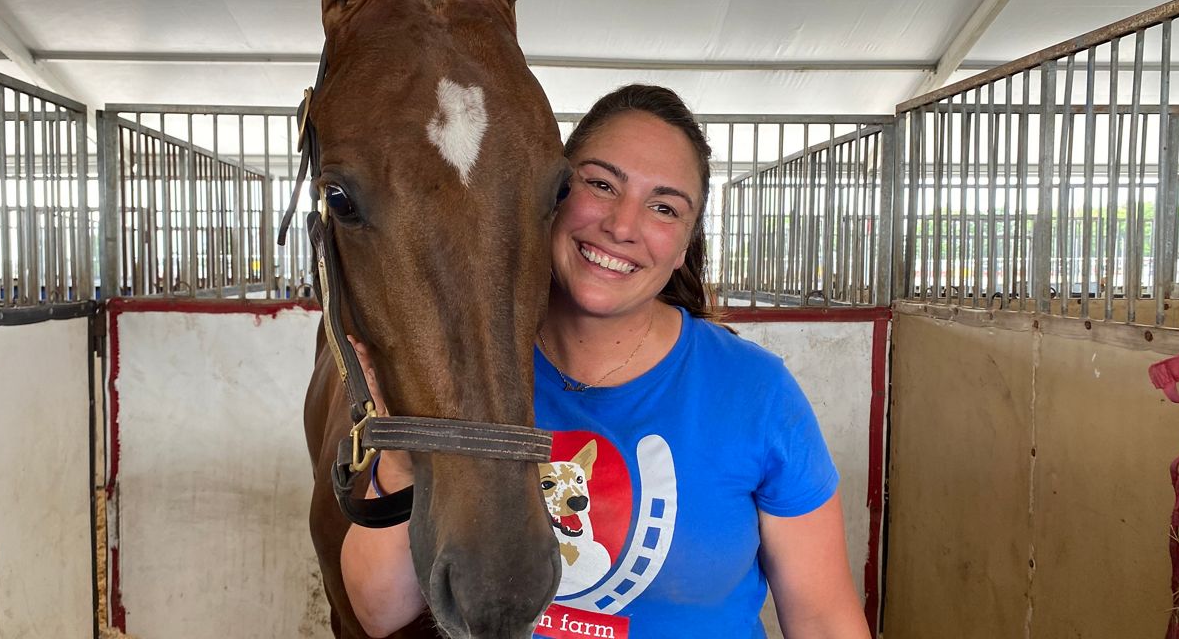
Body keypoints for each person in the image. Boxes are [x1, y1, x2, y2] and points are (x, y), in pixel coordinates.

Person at [343, 84, 871, 638]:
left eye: (664, 207)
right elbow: (379, 613)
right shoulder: (469, 369)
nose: (622, 226)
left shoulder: (756, 394)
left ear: (686, 242)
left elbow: (822, 617)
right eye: (600, 184)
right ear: (552, 193)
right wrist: (400, 454)